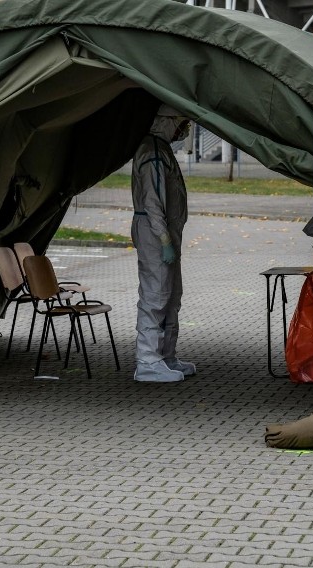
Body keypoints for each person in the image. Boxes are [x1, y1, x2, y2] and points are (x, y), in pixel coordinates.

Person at [131, 104, 196, 383]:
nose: (184, 130)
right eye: (181, 123)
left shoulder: (159, 148)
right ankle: (148, 360)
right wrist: (164, 239)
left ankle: (165, 356)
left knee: (171, 295)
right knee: (156, 296)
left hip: (162, 233)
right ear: (167, 121)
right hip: (155, 235)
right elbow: (153, 201)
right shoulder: (153, 151)